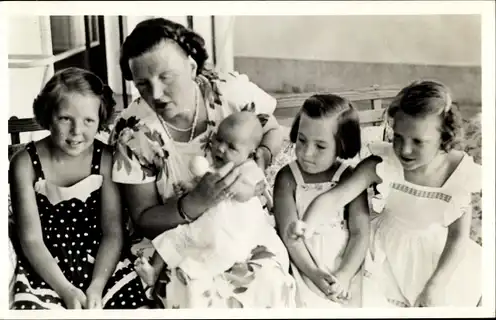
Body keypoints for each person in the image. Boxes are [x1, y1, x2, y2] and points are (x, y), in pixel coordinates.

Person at [109, 17, 295, 308]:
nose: (155, 94)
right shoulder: (133, 133)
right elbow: (144, 218)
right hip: (176, 240)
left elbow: (271, 129)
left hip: (238, 228)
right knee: (195, 291)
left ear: (192, 68)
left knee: (267, 279)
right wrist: (196, 202)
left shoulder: (228, 92)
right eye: (143, 84)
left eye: (166, 77)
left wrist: (260, 159)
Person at [296, 80, 482, 307]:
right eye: (398, 137)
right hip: (383, 251)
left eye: (418, 142)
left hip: (435, 256)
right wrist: (306, 224)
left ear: (445, 138)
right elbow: (335, 197)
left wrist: (436, 284)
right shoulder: (383, 163)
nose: (404, 149)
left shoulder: (460, 175)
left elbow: (458, 237)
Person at [8, 67, 150, 309]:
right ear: (47, 116)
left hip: (102, 264)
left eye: (88, 121)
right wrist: (65, 289)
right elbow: (31, 239)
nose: (76, 131)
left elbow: (113, 232)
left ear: (101, 120)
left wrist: (97, 285)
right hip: (46, 269)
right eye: (65, 118)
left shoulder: (105, 158)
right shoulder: (24, 163)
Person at [134, 112, 290, 308]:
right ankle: (153, 272)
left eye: (231, 147)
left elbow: (250, 191)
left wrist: (234, 187)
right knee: (173, 237)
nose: (221, 148)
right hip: (206, 218)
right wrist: (189, 188)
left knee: (219, 249)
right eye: (218, 140)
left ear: (250, 154)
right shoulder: (211, 163)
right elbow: (200, 185)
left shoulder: (248, 168)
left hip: (233, 224)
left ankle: (208, 276)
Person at [273, 94, 370, 308]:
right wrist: (314, 274)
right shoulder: (287, 178)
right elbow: (290, 236)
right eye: (301, 140)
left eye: (320, 146)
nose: (307, 153)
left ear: (341, 145)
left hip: (346, 263)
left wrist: (344, 274)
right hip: (303, 264)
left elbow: (360, 233)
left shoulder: (349, 178)